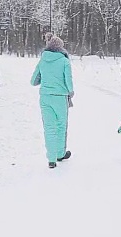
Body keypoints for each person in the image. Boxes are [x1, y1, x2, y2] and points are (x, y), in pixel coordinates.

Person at [30, 33, 75, 169]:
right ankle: (60, 153)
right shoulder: (65, 61)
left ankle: (51, 159)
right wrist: (70, 92)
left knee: (49, 128)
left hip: (45, 97)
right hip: (60, 98)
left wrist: (45, 79)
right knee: (61, 126)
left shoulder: (42, 60)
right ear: (61, 48)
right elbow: (69, 82)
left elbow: (33, 81)